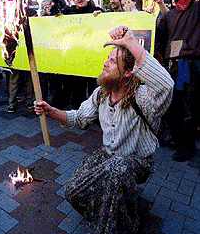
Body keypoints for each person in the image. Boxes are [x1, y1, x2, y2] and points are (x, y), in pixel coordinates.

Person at [34, 26, 174, 234]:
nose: (105, 64)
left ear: (128, 72)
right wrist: (52, 111)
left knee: (116, 171)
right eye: (107, 58)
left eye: (111, 61)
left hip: (137, 162)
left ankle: (120, 226)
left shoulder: (143, 97)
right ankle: (112, 211)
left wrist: (132, 44)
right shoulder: (101, 93)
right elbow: (80, 117)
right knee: (73, 191)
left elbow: (166, 86)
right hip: (108, 157)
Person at [155, 0, 200, 162]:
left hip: (188, 66)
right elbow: (158, 33)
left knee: (187, 107)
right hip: (172, 67)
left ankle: (187, 147)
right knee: (173, 105)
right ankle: (175, 139)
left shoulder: (198, 10)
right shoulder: (171, 15)